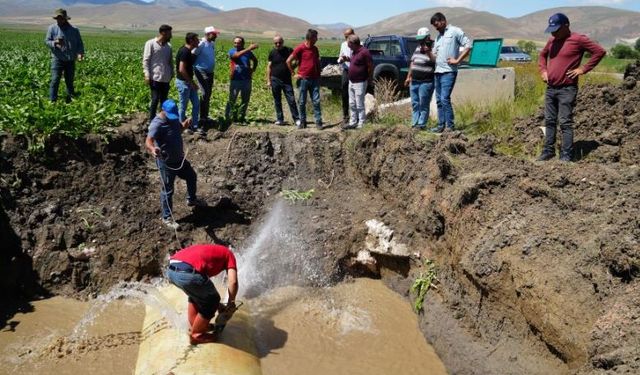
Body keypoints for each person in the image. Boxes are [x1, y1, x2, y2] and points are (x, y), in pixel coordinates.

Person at [537, 13, 605, 162]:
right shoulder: (552, 41)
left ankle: (566, 155)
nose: (553, 32)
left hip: (567, 89)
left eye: (556, 29)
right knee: (549, 120)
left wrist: (583, 69)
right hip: (551, 88)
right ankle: (548, 151)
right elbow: (542, 56)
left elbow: (599, 52)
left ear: (566, 26)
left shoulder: (578, 39)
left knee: (565, 121)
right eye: (551, 29)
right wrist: (543, 71)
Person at [145, 99, 206, 229]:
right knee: (168, 190)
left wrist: (184, 125)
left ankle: (191, 199)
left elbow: (178, 129)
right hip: (166, 162)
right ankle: (167, 217)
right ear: (163, 111)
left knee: (191, 176)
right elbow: (148, 141)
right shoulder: (157, 124)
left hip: (179, 159)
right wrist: (153, 149)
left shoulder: (172, 118)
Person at [166, 243, 238, 345]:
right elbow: (233, 282)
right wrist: (231, 304)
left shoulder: (211, 250)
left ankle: (195, 326)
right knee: (213, 299)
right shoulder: (229, 255)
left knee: (199, 295)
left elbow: (201, 292)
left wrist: (219, 306)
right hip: (187, 272)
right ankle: (197, 335)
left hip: (171, 271)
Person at [430, 12, 472, 133]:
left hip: (448, 72)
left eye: (437, 24)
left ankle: (450, 126)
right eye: (434, 26)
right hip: (437, 72)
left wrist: (457, 60)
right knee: (438, 100)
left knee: (444, 99)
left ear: (443, 21)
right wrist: (428, 52)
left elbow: (468, 45)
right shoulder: (438, 37)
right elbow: (434, 57)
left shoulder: (455, 31)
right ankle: (440, 125)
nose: (436, 28)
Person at [45, 9, 84, 103]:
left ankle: (70, 98)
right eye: (57, 18)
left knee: (69, 80)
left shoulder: (74, 30)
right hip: (57, 58)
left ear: (65, 19)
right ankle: (52, 100)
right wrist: (55, 43)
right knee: (55, 80)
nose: (59, 20)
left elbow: (79, 43)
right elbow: (46, 41)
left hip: (70, 59)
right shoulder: (52, 28)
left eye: (61, 18)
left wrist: (80, 53)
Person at [287, 29, 323, 130]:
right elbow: (288, 61)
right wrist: (293, 73)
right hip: (303, 79)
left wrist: (319, 74)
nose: (317, 39)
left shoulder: (315, 49)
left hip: (314, 79)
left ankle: (318, 121)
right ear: (311, 38)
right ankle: (303, 122)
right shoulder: (300, 48)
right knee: (302, 101)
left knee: (316, 101)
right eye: (316, 37)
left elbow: (317, 62)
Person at [404, 28, 436, 130]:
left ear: (428, 37)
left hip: (426, 81)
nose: (420, 41)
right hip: (414, 81)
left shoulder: (434, 47)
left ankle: (421, 124)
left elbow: (435, 61)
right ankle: (414, 123)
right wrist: (408, 77)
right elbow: (413, 62)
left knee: (423, 103)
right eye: (419, 39)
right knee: (415, 103)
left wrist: (429, 52)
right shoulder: (418, 47)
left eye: (422, 39)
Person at [266, 35, 300, 126]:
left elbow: (297, 60)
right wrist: (268, 80)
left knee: (291, 99)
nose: (278, 44)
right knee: (277, 100)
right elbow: (269, 67)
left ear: (283, 42)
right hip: (275, 79)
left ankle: (296, 119)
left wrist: (292, 68)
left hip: (286, 80)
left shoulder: (289, 50)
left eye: (279, 42)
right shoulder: (272, 52)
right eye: (276, 43)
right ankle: (280, 119)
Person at [143, 24, 173, 122]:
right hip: (155, 77)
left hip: (165, 77)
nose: (171, 36)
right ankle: (151, 120)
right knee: (155, 99)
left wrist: (172, 72)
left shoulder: (169, 46)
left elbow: (170, 61)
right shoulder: (150, 43)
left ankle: (161, 119)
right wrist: (147, 74)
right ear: (163, 33)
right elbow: (146, 60)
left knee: (164, 100)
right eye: (169, 33)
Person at [225, 36, 258, 124]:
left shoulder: (248, 52)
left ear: (242, 43)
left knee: (245, 100)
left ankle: (241, 117)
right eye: (235, 43)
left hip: (247, 79)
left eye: (238, 43)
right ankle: (228, 117)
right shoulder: (232, 51)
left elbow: (255, 60)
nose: (236, 45)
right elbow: (236, 55)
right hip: (235, 79)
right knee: (232, 99)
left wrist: (253, 69)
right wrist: (249, 48)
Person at [342, 34, 372, 130]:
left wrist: (368, 78)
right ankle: (353, 122)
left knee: (359, 103)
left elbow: (370, 66)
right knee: (352, 103)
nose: (347, 46)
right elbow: (356, 62)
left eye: (348, 44)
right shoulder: (354, 52)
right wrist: (348, 60)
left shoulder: (364, 52)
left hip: (360, 81)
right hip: (352, 81)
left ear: (353, 43)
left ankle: (361, 123)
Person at [193, 26, 220, 126]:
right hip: (201, 71)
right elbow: (193, 55)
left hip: (210, 72)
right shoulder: (201, 44)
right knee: (204, 93)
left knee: (208, 93)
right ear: (208, 34)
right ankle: (202, 117)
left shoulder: (212, 44)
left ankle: (205, 116)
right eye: (214, 34)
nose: (216, 36)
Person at [176, 33, 202, 135]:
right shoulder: (184, 51)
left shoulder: (187, 51)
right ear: (191, 41)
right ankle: (181, 127)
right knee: (183, 106)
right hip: (184, 83)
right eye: (197, 40)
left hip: (188, 82)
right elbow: (181, 69)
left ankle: (194, 126)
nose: (199, 41)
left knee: (196, 104)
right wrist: (192, 83)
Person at [337, 28, 355, 125]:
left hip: (355, 71)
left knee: (355, 93)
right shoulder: (343, 44)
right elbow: (340, 56)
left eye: (347, 36)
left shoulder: (359, 43)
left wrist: (349, 59)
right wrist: (341, 59)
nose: (346, 38)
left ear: (353, 34)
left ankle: (354, 115)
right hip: (346, 70)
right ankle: (345, 115)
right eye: (345, 36)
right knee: (344, 92)